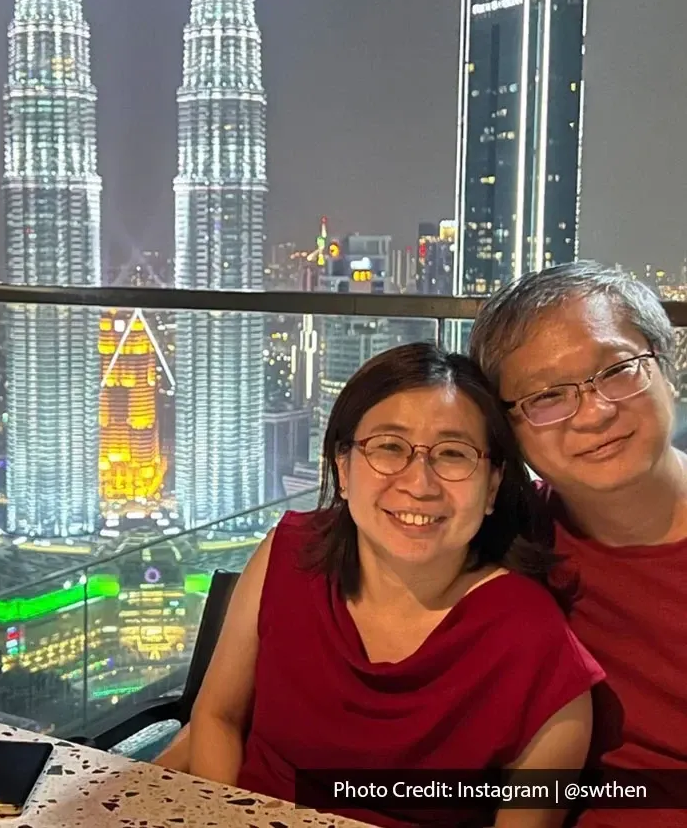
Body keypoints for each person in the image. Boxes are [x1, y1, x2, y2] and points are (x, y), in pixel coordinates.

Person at [160, 344, 603, 828]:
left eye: (453, 455)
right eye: (389, 448)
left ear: (492, 486)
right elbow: (217, 717)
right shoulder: (288, 555)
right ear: (343, 468)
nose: (420, 484)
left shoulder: (534, 645)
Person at [468, 261, 687, 828]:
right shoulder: (505, 539)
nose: (595, 413)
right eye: (546, 396)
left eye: (617, 370)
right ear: (509, 431)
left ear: (667, 369)